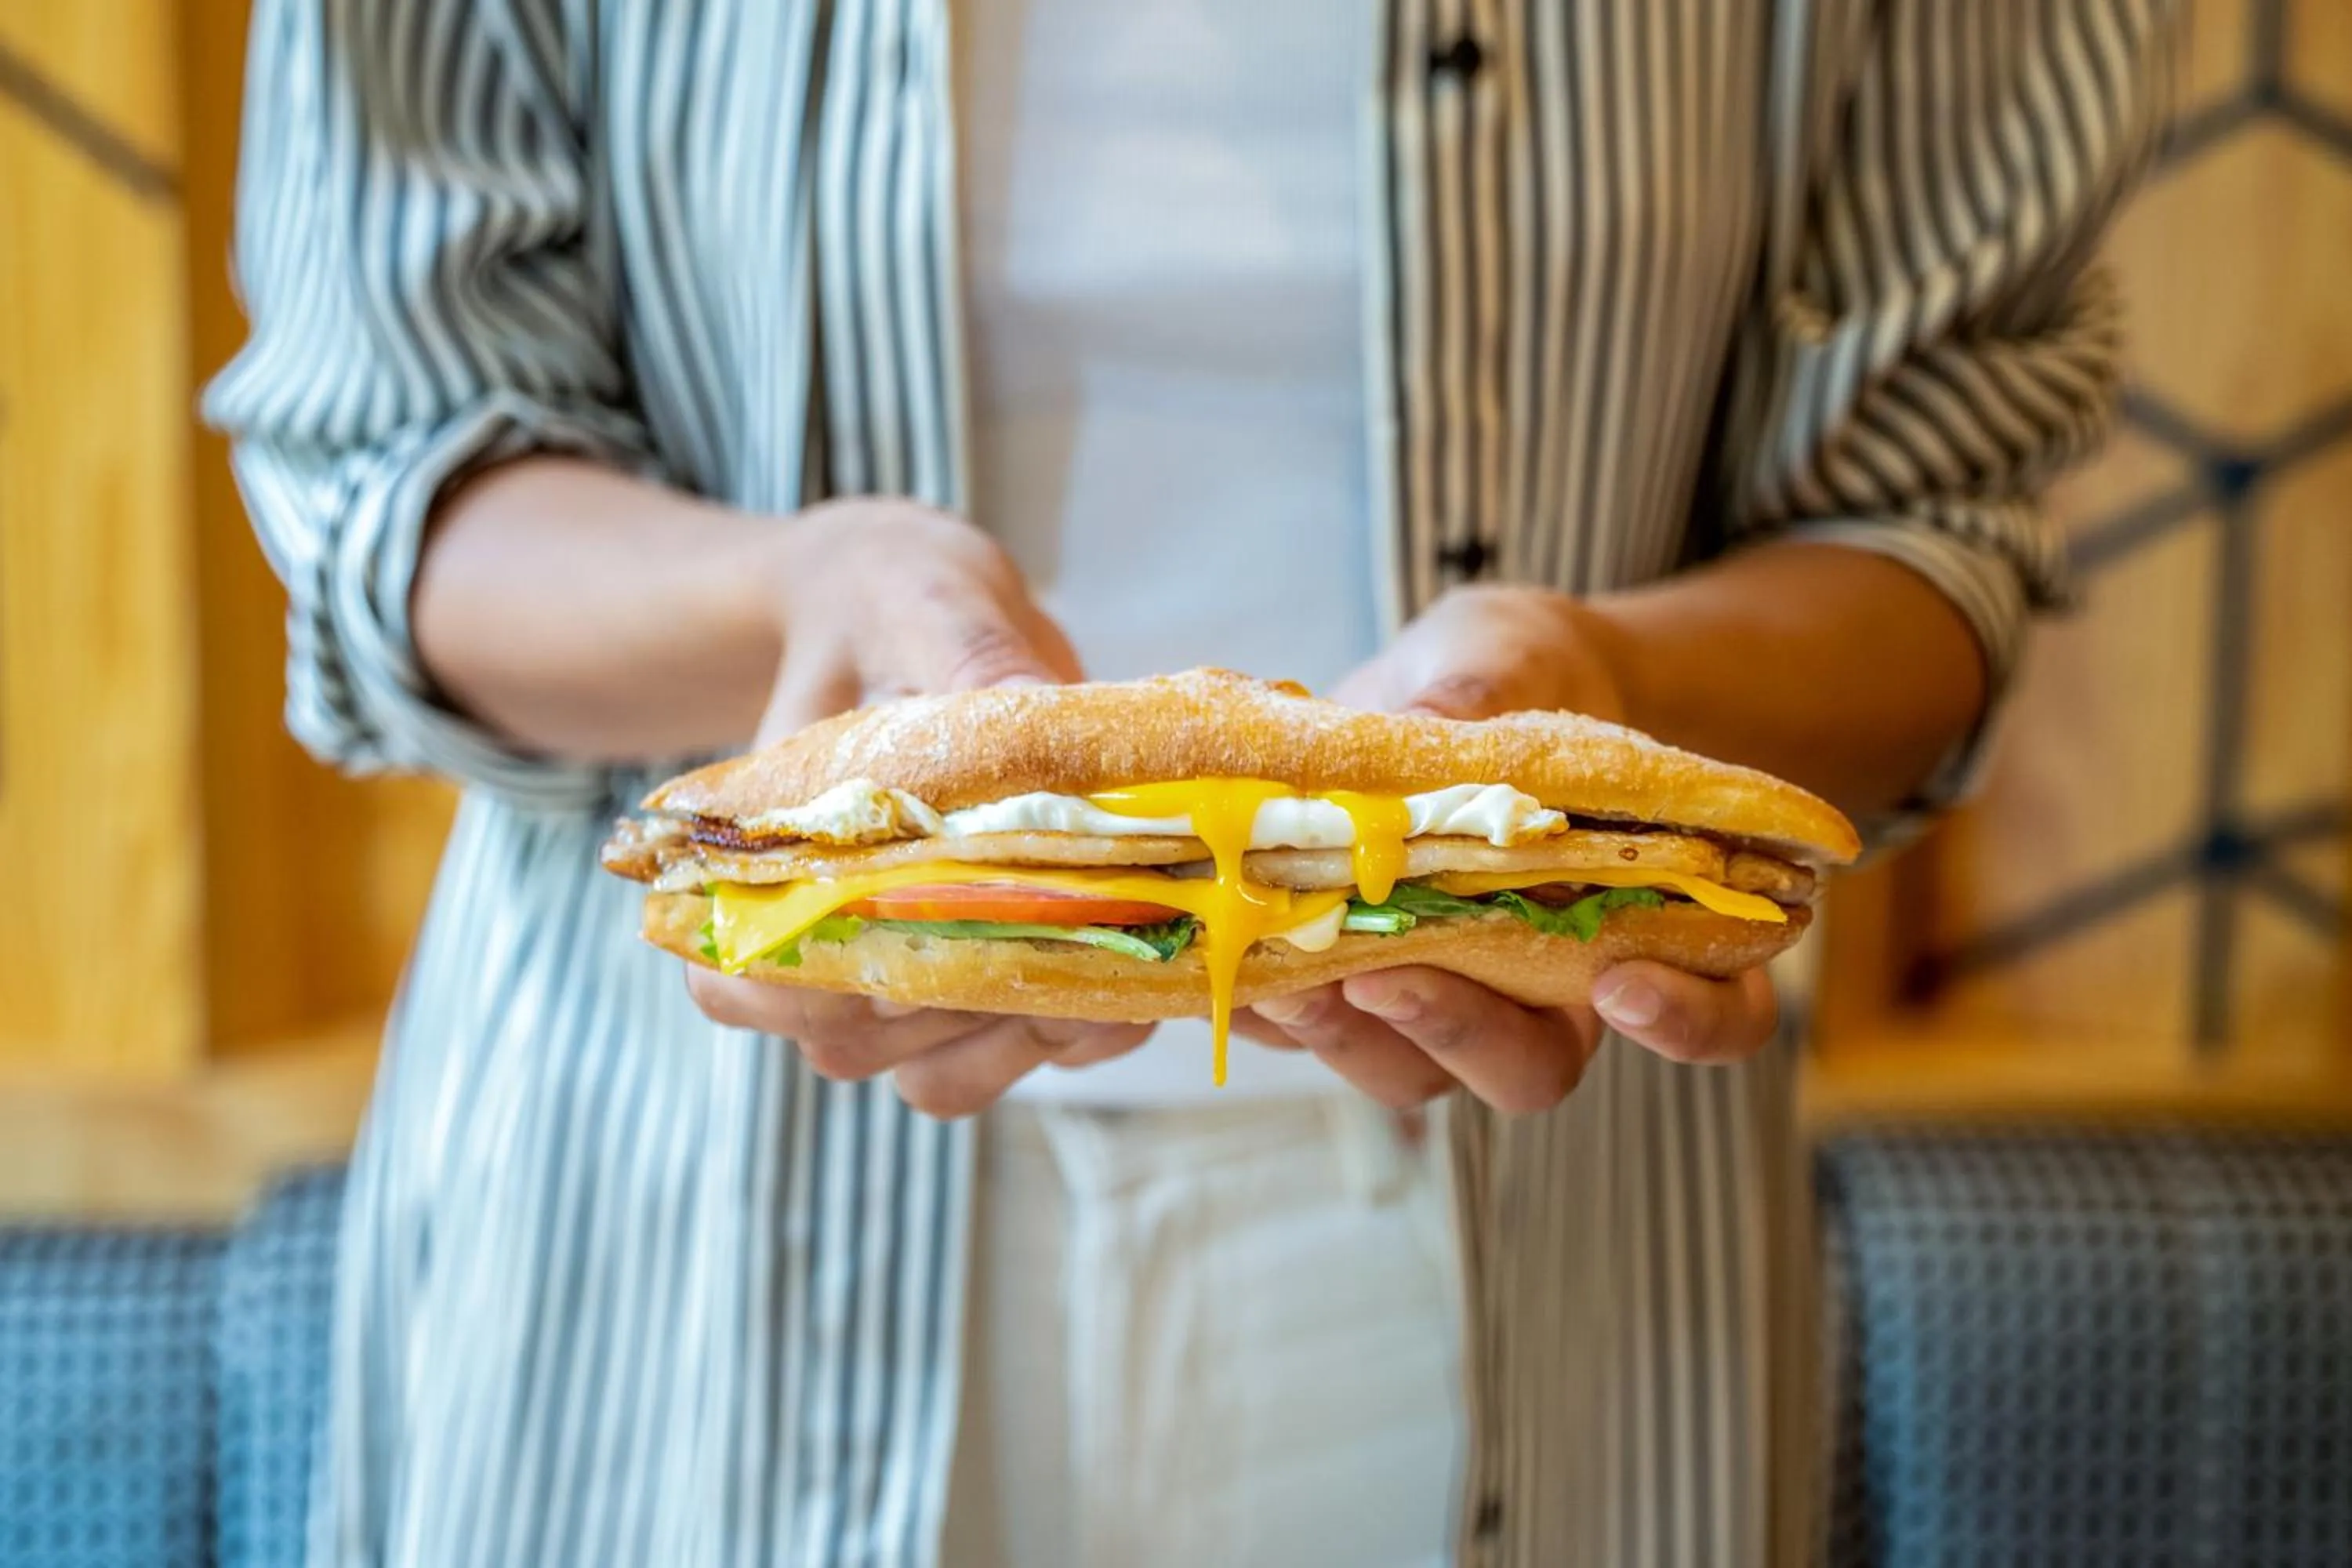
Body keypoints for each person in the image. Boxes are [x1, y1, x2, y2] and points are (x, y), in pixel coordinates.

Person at [207, 1, 2177, 1563]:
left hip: (1561, 1266)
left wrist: (1595, 689)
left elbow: (1941, 526)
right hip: (666, 1260)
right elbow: (387, 474)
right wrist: (804, 602)